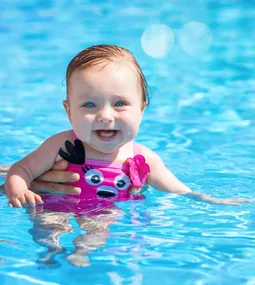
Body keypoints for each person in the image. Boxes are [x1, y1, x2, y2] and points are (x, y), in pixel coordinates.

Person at [3, 44, 251, 207]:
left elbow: (178, 190)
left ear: (142, 108)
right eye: (89, 105)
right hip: (58, 207)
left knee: (103, 224)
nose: (105, 115)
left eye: (120, 103)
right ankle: (53, 252)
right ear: (69, 111)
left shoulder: (143, 157)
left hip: (110, 213)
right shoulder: (61, 145)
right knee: (51, 226)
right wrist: (18, 191)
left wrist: (211, 200)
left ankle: (82, 252)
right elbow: (21, 169)